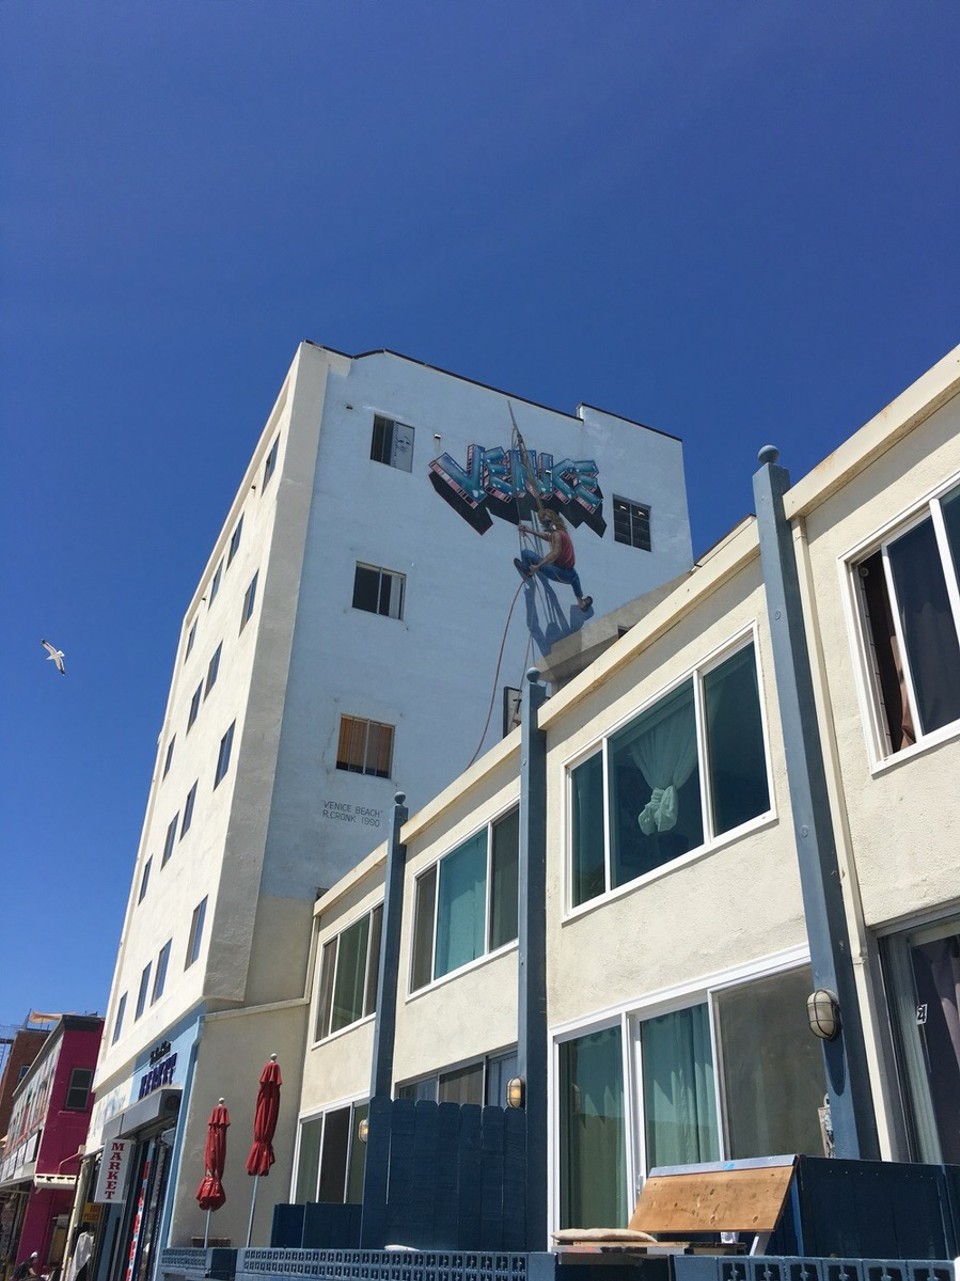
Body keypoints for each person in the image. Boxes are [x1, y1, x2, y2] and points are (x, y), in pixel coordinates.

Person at [514, 509, 593, 611]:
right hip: (569, 574)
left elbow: (554, 554)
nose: (546, 525)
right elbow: (548, 537)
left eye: (548, 522)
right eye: (545, 523)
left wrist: (538, 566)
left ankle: (527, 571)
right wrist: (530, 531)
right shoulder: (562, 532)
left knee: (525, 553)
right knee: (575, 578)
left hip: (558, 572)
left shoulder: (557, 534)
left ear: (554, 520)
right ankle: (581, 603)